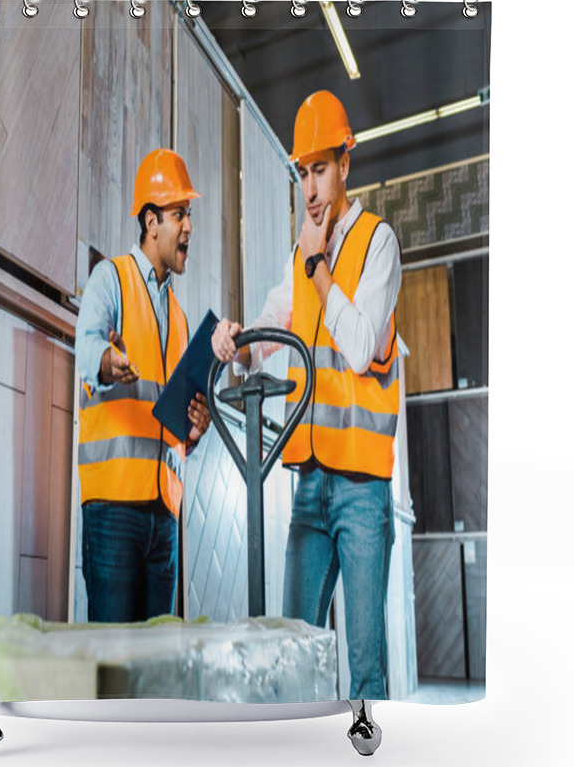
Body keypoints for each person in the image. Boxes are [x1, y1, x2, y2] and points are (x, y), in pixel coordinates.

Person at [211, 91, 402, 699]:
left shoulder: (378, 244)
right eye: (302, 172)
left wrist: (319, 267)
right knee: (292, 658)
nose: (311, 187)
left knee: (365, 671)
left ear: (346, 163)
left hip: (363, 491)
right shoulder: (300, 259)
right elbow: (269, 331)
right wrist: (233, 342)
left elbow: (357, 342)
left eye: (320, 168)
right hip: (310, 485)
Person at [76, 148, 211, 624]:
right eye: (180, 214)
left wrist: (195, 427)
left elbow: (172, 418)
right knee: (114, 667)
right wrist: (108, 363)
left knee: (156, 669)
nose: (189, 227)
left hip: (164, 515)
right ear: (151, 222)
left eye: (189, 214)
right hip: (114, 508)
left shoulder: (180, 316)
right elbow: (87, 348)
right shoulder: (109, 279)